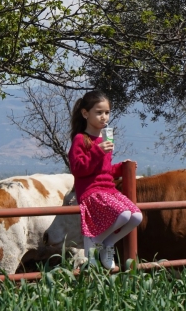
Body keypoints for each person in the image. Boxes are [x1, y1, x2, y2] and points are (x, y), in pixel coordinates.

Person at [68, 90, 143, 269]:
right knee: (123, 214)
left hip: (107, 189)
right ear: (85, 113)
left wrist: (122, 168)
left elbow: (105, 169)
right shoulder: (81, 139)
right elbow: (78, 169)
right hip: (91, 191)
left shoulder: (104, 138)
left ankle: (106, 243)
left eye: (107, 112)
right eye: (99, 112)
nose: (104, 117)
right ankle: (95, 240)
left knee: (136, 216)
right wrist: (97, 150)